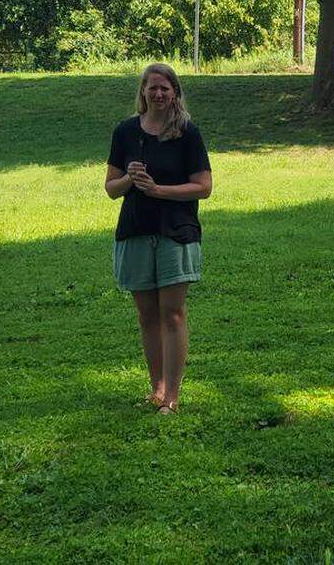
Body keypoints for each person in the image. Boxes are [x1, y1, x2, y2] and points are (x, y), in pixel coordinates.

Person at [105, 63, 212, 414]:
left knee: (173, 314)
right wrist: (130, 180)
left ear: (175, 92)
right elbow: (111, 188)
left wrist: (159, 190)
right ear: (143, 92)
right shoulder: (125, 132)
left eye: (165, 88)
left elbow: (203, 187)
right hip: (136, 230)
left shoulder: (187, 133)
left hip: (176, 233)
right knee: (147, 316)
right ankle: (157, 388)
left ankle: (173, 397)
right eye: (152, 87)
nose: (159, 94)